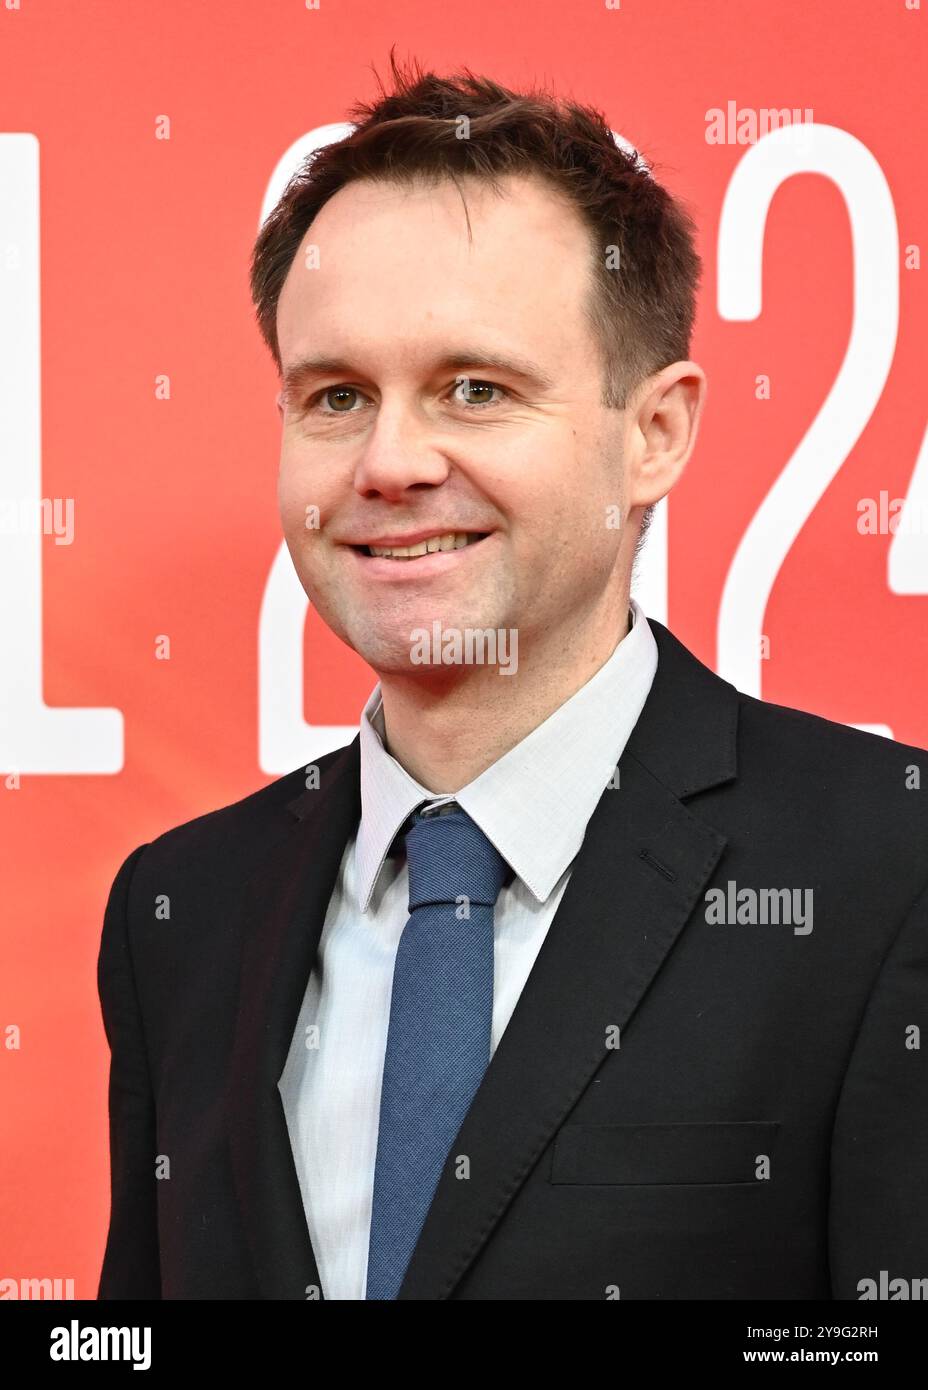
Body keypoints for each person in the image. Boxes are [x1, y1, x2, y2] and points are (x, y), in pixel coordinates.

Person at [97, 54, 928, 1301]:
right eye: (335, 396)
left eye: (472, 389)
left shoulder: (885, 872)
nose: (388, 461)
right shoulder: (180, 911)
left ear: (653, 433)